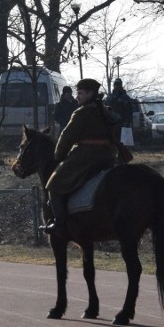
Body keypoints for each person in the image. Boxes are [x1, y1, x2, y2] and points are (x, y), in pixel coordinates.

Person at [41, 78, 118, 238]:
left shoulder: (81, 113)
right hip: (109, 156)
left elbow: (66, 138)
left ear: (90, 93)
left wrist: (59, 156)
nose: (78, 97)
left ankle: (60, 224)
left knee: (53, 184)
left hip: (86, 158)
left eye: (81, 93)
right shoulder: (106, 111)